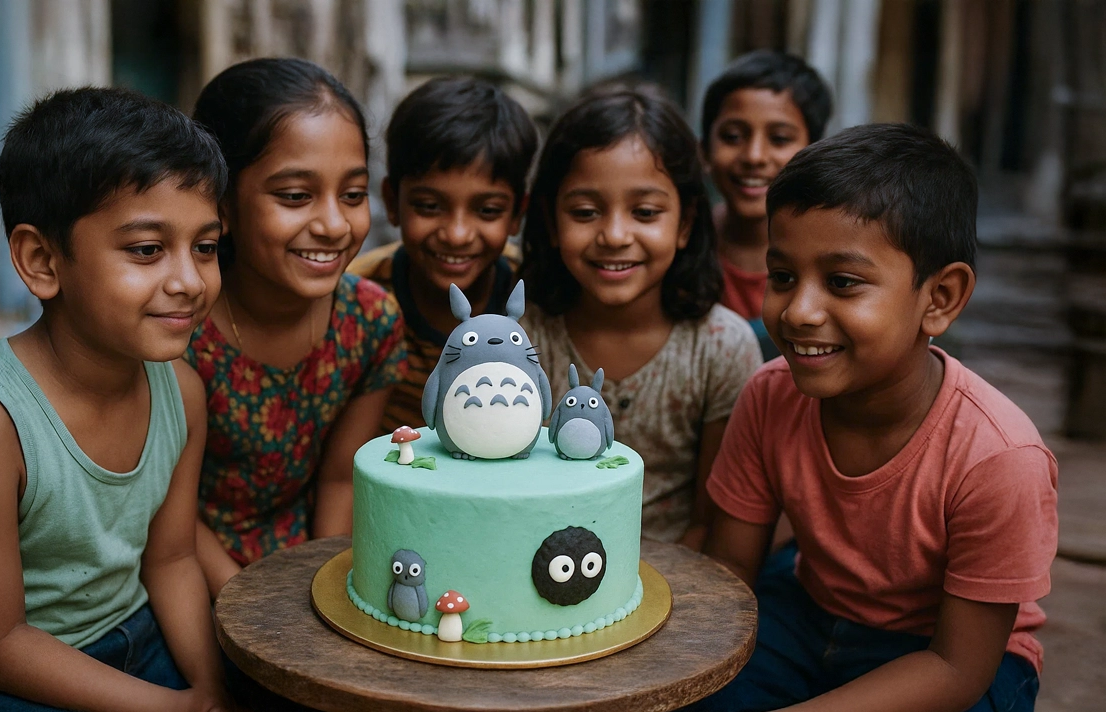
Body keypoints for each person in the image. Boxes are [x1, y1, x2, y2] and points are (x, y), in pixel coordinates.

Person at [0, 88, 230, 712]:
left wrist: (208, 692)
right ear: (42, 261)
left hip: (131, 631)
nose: (190, 280)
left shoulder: (182, 392)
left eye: (204, 246)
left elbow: (172, 559)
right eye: (147, 250)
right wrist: (173, 711)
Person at [689, 124, 1058, 712]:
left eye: (842, 283)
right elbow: (730, 578)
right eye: (782, 277)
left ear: (939, 298)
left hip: (942, 655)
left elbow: (958, 668)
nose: (800, 312)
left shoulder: (999, 459)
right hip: (804, 614)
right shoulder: (768, 396)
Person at [187, 58, 406, 596]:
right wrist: (252, 612)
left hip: (308, 560)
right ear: (222, 203)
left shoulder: (369, 322)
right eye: (295, 196)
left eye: (352, 196)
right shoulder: (177, 334)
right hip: (187, 571)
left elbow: (339, 482)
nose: (334, 225)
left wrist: (320, 591)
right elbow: (164, 517)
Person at [519, 86, 762, 550]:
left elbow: (712, 519)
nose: (614, 235)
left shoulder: (720, 348)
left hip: (678, 581)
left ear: (686, 222)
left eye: (645, 212)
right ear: (550, 221)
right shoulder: (521, 341)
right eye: (586, 212)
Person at [348, 76, 538, 432]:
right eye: (429, 206)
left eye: (488, 211)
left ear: (516, 215)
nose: (457, 234)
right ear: (392, 201)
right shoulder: (358, 297)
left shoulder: (536, 298)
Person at [701, 50, 831, 360]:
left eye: (779, 138)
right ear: (704, 149)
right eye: (733, 136)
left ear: (815, 151)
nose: (754, 156)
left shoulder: (835, 257)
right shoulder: (675, 248)